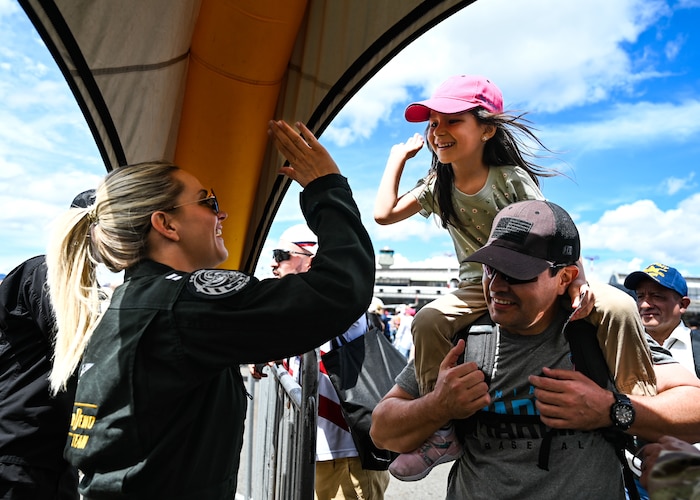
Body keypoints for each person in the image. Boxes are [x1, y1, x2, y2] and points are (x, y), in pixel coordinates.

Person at [44, 120, 375, 499]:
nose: (222, 215)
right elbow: (338, 291)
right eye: (208, 201)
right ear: (166, 224)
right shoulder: (182, 302)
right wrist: (326, 186)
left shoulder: (137, 300)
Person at [373, 74, 654, 480]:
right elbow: (384, 214)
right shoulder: (438, 184)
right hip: (477, 284)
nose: (438, 132)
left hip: (536, 275)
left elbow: (554, 230)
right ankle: (443, 425)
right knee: (429, 319)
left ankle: (643, 415)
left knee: (620, 305)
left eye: (453, 120)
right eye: (433, 123)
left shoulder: (510, 179)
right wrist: (397, 159)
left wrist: (575, 280)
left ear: (487, 129)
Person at [370, 199, 700, 499]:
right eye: (490, 268)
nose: (497, 285)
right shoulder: (462, 337)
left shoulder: (597, 334)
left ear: (565, 277)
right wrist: (437, 406)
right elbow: (382, 431)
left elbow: (694, 406)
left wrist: (611, 409)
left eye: (516, 273)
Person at [253, 224, 390, 500]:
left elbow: (304, 324)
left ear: (311, 258)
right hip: (323, 449)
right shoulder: (307, 302)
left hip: (349, 452)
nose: (273, 262)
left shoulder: (339, 297)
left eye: (281, 254)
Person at [0, 189, 94, 500]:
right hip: (21, 453)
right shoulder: (47, 272)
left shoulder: (70, 280)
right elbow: (85, 348)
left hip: (47, 454)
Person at [624, 263, 699, 378]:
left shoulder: (695, 346)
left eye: (657, 296)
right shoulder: (622, 343)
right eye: (640, 296)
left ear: (683, 305)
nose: (644, 305)